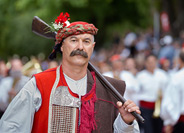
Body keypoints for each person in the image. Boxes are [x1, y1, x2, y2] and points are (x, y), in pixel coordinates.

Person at [0, 12, 141, 132]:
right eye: (74, 40)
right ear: (61, 46)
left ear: (92, 47)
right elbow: (10, 127)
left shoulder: (110, 89)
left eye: (86, 41)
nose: (80, 46)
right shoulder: (40, 84)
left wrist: (125, 123)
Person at [160, 47, 184, 133]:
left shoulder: (176, 77)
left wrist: (169, 122)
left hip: (183, 123)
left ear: (179, 60)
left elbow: (170, 103)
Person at [136, 54, 169, 133]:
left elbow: (167, 91)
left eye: (153, 62)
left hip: (159, 106)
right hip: (145, 108)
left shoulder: (163, 75)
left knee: (159, 129)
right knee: (148, 129)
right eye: (149, 62)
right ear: (145, 63)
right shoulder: (140, 76)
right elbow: (136, 93)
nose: (151, 64)